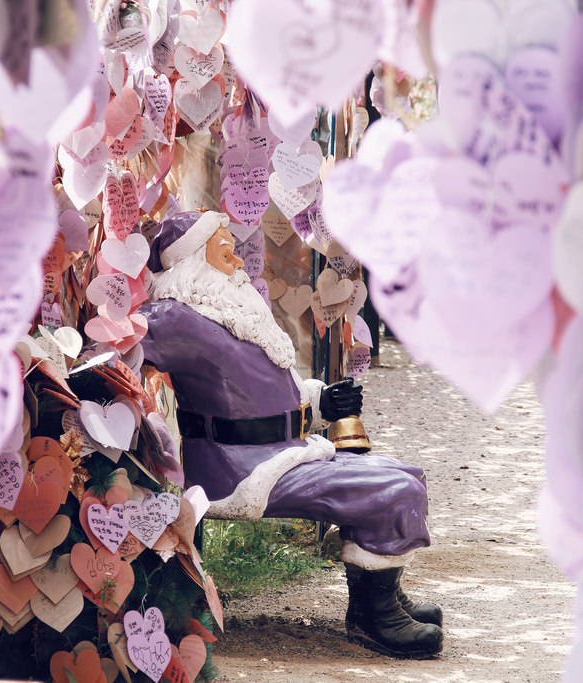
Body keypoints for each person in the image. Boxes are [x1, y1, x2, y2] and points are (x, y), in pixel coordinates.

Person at [138, 210, 442, 659]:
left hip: (282, 451)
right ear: (190, 261)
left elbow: (260, 395)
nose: (238, 261)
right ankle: (374, 615)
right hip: (241, 470)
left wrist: (321, 405)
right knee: (394, 490)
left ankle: (376, 597)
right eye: (223, 247)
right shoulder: (174, 317)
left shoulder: (228, 310)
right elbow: (116, 355)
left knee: (406, 475)